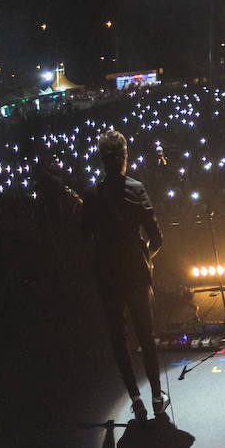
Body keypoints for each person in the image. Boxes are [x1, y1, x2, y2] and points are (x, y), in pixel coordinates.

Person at [81, 129, 168, 420]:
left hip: (108, 278)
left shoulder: (92, 195)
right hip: (136, 275)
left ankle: (136, 399)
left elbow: (82, 237)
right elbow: (157, 238)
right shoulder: (136, 189)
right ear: (124, 159)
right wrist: (146, 255)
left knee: (119, 341)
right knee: (146, 336)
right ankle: (157, 396)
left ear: (101, 160)